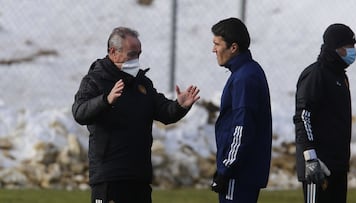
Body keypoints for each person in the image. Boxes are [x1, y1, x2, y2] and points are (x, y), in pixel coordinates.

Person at [72, 27, 200, 203]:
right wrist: (106, 100)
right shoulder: (95, 80)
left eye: (138, 55)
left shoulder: (142, 83)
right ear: (113, 52)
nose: (136, 60)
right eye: (131, 55)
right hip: (110, 176)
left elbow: (164, 112)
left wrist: (179, 105)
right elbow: (79, 112)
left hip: (139, 176)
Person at [210, 17, 272, 203]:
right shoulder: (246, 72)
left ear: (233, 47)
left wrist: (226, 168)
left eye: (217, 44)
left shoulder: (245, 78)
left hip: (239, 173)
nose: (213, 49)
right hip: (242, 171)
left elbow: (242, 127)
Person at [293, 23, 356, 203]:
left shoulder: (340, 76)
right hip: (319, 167)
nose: (353, 52)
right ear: (335, 48)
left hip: (338, 166)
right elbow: (303, 117)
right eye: (348, 47)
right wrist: (310, 158)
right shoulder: (316, 75)